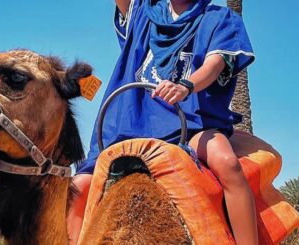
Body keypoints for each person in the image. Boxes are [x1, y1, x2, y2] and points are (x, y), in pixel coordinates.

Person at [67, 0, 258, 244]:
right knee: (77, 189)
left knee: (227, 162)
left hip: (191, 125)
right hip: (129, 128)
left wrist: (186, 86)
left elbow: (214, 64)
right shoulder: (141, 12)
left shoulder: (220, 19)